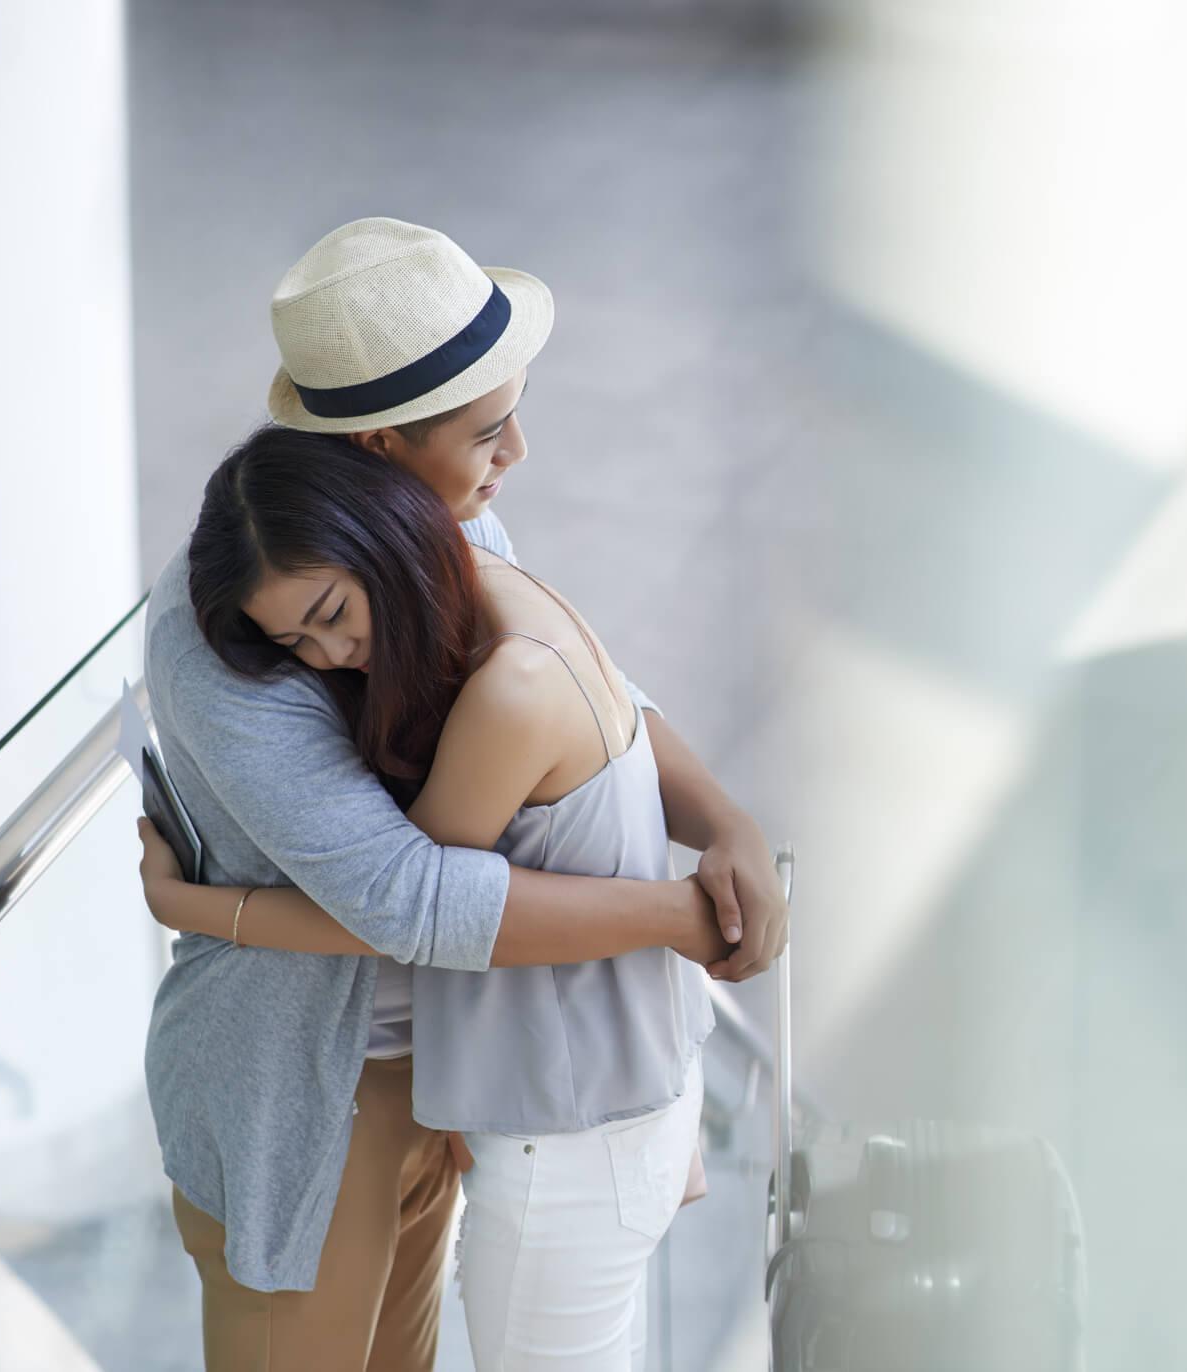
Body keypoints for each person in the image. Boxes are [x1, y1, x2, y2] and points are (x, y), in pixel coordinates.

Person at [137, 218, 784, 1370]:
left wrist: (724, 821)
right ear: (385, 445)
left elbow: (593, 697)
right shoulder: (230, 638)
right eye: (488, 428)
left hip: (440, 1072)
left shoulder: (444, 520)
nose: (516, 452)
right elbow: (406, 898)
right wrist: (678, 917)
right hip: (302, 1097)